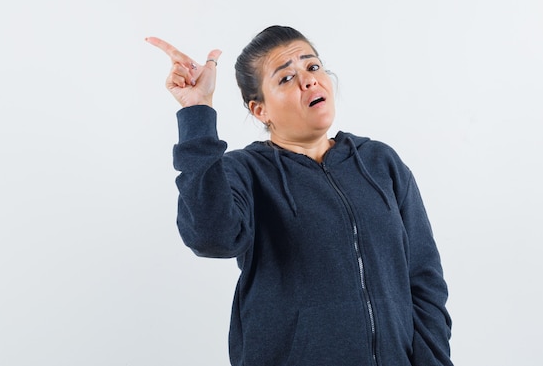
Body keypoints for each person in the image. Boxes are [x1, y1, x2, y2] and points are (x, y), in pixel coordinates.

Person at [146, 25, 453, 366]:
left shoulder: (380, 163)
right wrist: (197, 113)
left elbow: (424, 280)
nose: (308, 80)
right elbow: (210, 237)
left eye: (312, 66)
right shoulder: (245, 172)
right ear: (260, 110)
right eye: (286, 78)